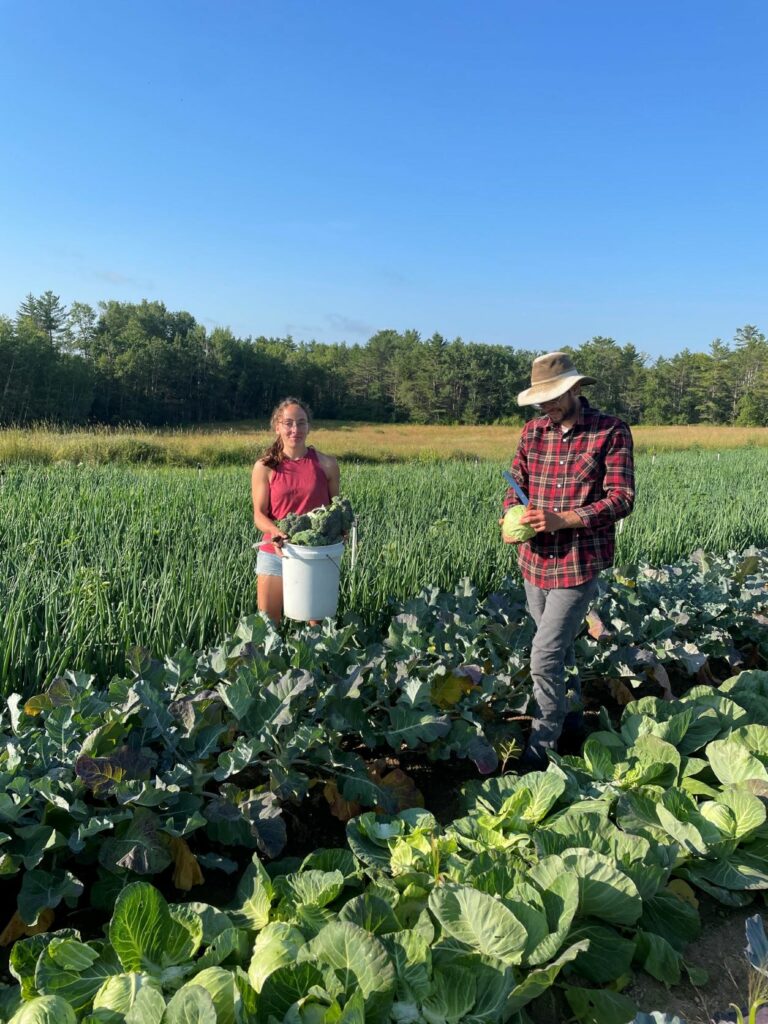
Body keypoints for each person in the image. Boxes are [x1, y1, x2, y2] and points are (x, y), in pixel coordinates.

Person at [502, 352, 635, 769]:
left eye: (554, 396)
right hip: (533, 561)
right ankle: (574, 718)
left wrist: (565, 519)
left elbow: (621, 498)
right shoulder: (533, 431)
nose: (546, 405)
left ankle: (544, 744)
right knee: (560, 649)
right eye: (540, 398)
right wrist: (511, 516)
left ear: (576, 388)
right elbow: (515, 482)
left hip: (577, 562)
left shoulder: (609, 431)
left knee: (543, 654)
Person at [252, 397, 340, 622]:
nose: (295, 429)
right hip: (275, 553)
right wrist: (274, 531)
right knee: (268, 626)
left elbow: (335, 511)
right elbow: (259, 515)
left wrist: (341, 529)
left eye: (301, 423)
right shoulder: (265, 467)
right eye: (288, 423)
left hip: (315, 555)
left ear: (308, 426)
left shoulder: (327, 464)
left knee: (317, 628)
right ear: (277, 426)